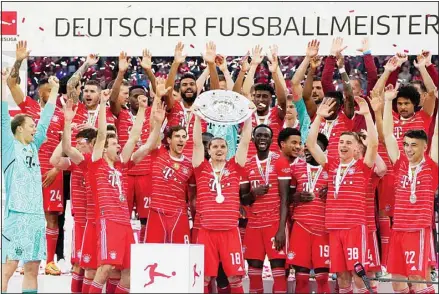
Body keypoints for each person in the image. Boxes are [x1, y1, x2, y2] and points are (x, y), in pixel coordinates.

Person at [7, 41, 68, 275]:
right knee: (27, 215)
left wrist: (56, 169)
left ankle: (50, 260)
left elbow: (66, 143)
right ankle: (24, 259)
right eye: (46, 87)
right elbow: (12, 84)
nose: (49, 90)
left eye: (53, 87)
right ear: (40, 91)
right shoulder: (29, 106)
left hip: (52, 171)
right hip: (28, 169)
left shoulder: (61, 115)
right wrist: (20, 60)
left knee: (51, 216)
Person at [306, 96, 378, 294]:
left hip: (354, 227)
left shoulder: (363, 167)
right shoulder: (332, 165)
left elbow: (373, 145)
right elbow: (311, 145)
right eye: (341, 142)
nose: (343, 145)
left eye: (348, 143)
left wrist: (366, 116)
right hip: (333, 227)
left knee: (358, 272)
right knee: (342, 277)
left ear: (356, 148)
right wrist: (319, 118)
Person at [1, 70, 59, 292]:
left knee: (33, 269)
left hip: (35, 216)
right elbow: (2, 115)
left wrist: (54, 90)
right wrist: (2, 83)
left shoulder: (34, 146)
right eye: (31, 125)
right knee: (8, 268)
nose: (36, 128)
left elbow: (45, 119)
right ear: (19, 128)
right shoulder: (8, 146)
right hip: (16, 214)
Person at [192, 99, 255, 293]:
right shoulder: (201, 168)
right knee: (203, 276)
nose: (219, 150)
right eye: (215, 147)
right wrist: (196, 116)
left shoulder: (235, 168)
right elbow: (195, 143)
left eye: (222, 147)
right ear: (208, 151)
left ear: (228, 150)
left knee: (234, 277)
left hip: (229, 230)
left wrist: (248, 117)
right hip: (206, 231)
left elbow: (245, 140)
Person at [383, 84, 438, 294]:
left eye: (413, 145)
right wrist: (388, 101)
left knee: (419, 279)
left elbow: (438, 133)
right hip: (398, 229)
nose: (408, 149)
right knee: (397, 282)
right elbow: (388, 134)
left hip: (418, 229)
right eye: (406, 144)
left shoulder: (431, 166)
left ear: (424, 146)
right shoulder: (400, 163)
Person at [143, 79, 196, 244]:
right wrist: (158, 98)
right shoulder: (158, 153)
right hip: (157, 211)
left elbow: (193, 196)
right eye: (177, 137)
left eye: (184, 137)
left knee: (180, 256)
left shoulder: (189, 164)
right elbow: (153, 130)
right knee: (155, 254)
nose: (181, 140)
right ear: (169, 139)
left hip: (179, 213)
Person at [240, 124, 291, 293]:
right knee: (254, 270)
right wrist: (253, 194)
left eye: (266, 136)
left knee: (278, 270)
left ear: (271, 139)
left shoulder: (280, 161)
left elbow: (285, 198)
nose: (262, 139)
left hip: (274, 222)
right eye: (259, 136)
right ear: (253, 139)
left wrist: (282, 229)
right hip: (254, 224)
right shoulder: (246, 165)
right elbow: (244, 199)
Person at [49, 125, 97, 293]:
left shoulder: (98, 161)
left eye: (80, 143)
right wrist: (63, 141)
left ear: (93, 143)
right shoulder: (76, 162)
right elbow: (54, 161)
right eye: (74, 143)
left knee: (97, 263)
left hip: (97, 218)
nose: (76, 146)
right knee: (79, 262)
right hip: (81, 218)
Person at [287, 132, 331, 294]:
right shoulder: (295, 168)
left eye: (314, 146)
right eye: (306, 146)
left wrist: (332, 191)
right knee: (301, 278)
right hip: (301, 227)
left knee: (322, 277)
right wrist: (296, 197)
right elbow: (285, 196)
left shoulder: (332, 170)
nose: (308, 149)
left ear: (323, 150)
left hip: (323, 228)